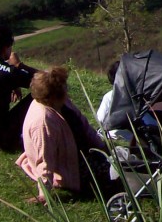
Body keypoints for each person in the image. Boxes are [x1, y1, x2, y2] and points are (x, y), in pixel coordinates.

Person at [16, 67, 116, 202]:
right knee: (114, 176)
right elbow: (45, 160)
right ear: (55, 94)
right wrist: (44, 193)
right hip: (69, 168)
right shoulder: (44, 122)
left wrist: (102, 146)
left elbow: (84, 125)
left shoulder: (63, 103)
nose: (67, 89)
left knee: (121, 162)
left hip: (81, 154)